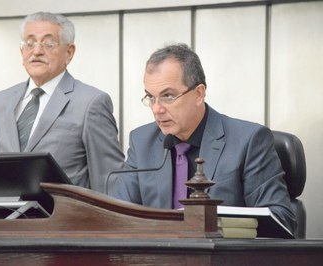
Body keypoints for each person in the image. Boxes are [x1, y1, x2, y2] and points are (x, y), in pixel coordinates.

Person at [111, 43, 296, 233]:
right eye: (150, 97)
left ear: (198, 94)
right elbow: (117, 219)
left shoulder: (249, 141)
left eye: (168, 96)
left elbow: (281, 220)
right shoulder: (142, 142)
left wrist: (221, 227)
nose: (157, 109)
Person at [0, 12, 124, 193]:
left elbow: (110, 180)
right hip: (8, 218)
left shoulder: (91, 103)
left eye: (48, 43)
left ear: (69, 53)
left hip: (66, 219)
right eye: (30, 43)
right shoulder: (0, 102)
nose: (36, 51)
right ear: (21, 51)